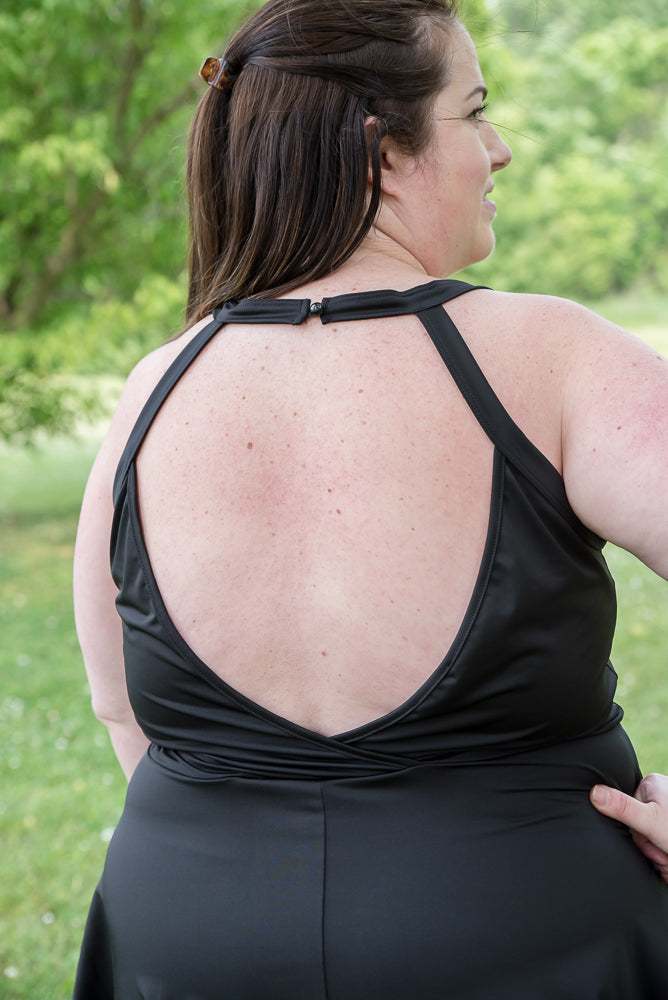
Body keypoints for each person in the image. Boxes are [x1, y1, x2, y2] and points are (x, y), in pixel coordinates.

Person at [72, 0, 668, 996]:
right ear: (381, 149)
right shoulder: (549, 357)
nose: (500, 147)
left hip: (187, 944)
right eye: (472, 112)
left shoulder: (153, 387)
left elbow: (120, 711)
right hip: (529, 942)